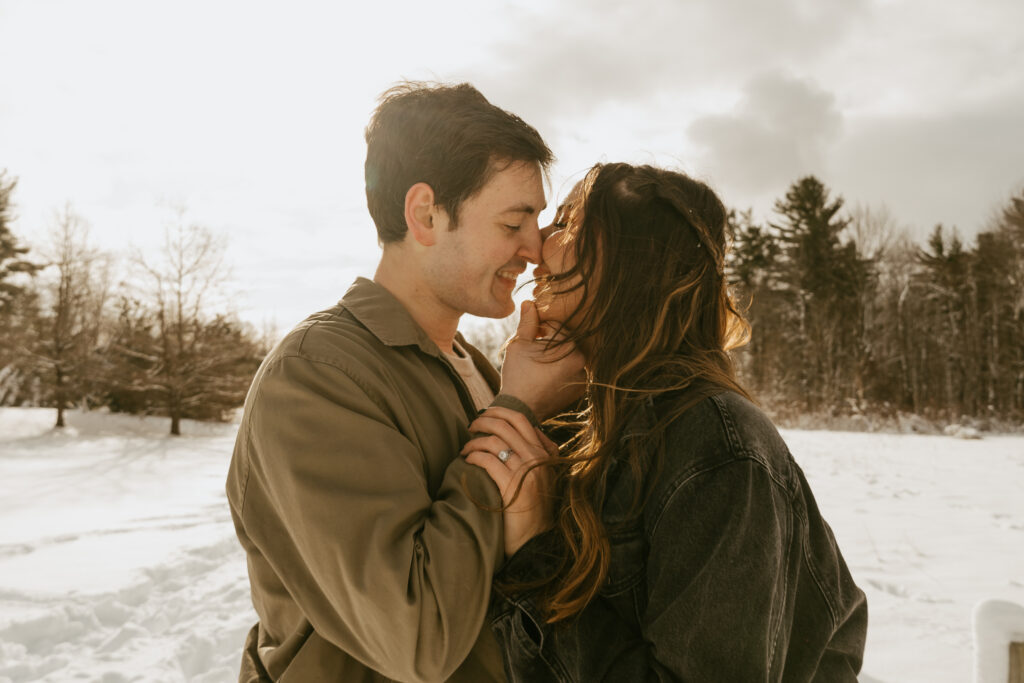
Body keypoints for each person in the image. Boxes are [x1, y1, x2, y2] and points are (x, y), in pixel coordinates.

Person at [225, 82, 584, 683]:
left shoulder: (476, 368)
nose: (535, 248)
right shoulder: (318, 375)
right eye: (514, 222)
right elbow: (417, 637)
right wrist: (517, 413)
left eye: (538, 223)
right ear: (425, 214)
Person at [462, 162, 869, 681]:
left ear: (635, 262)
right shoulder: (578, 422)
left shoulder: (716, 447)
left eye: (569, 224)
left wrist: (537, 546)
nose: (539, 239)